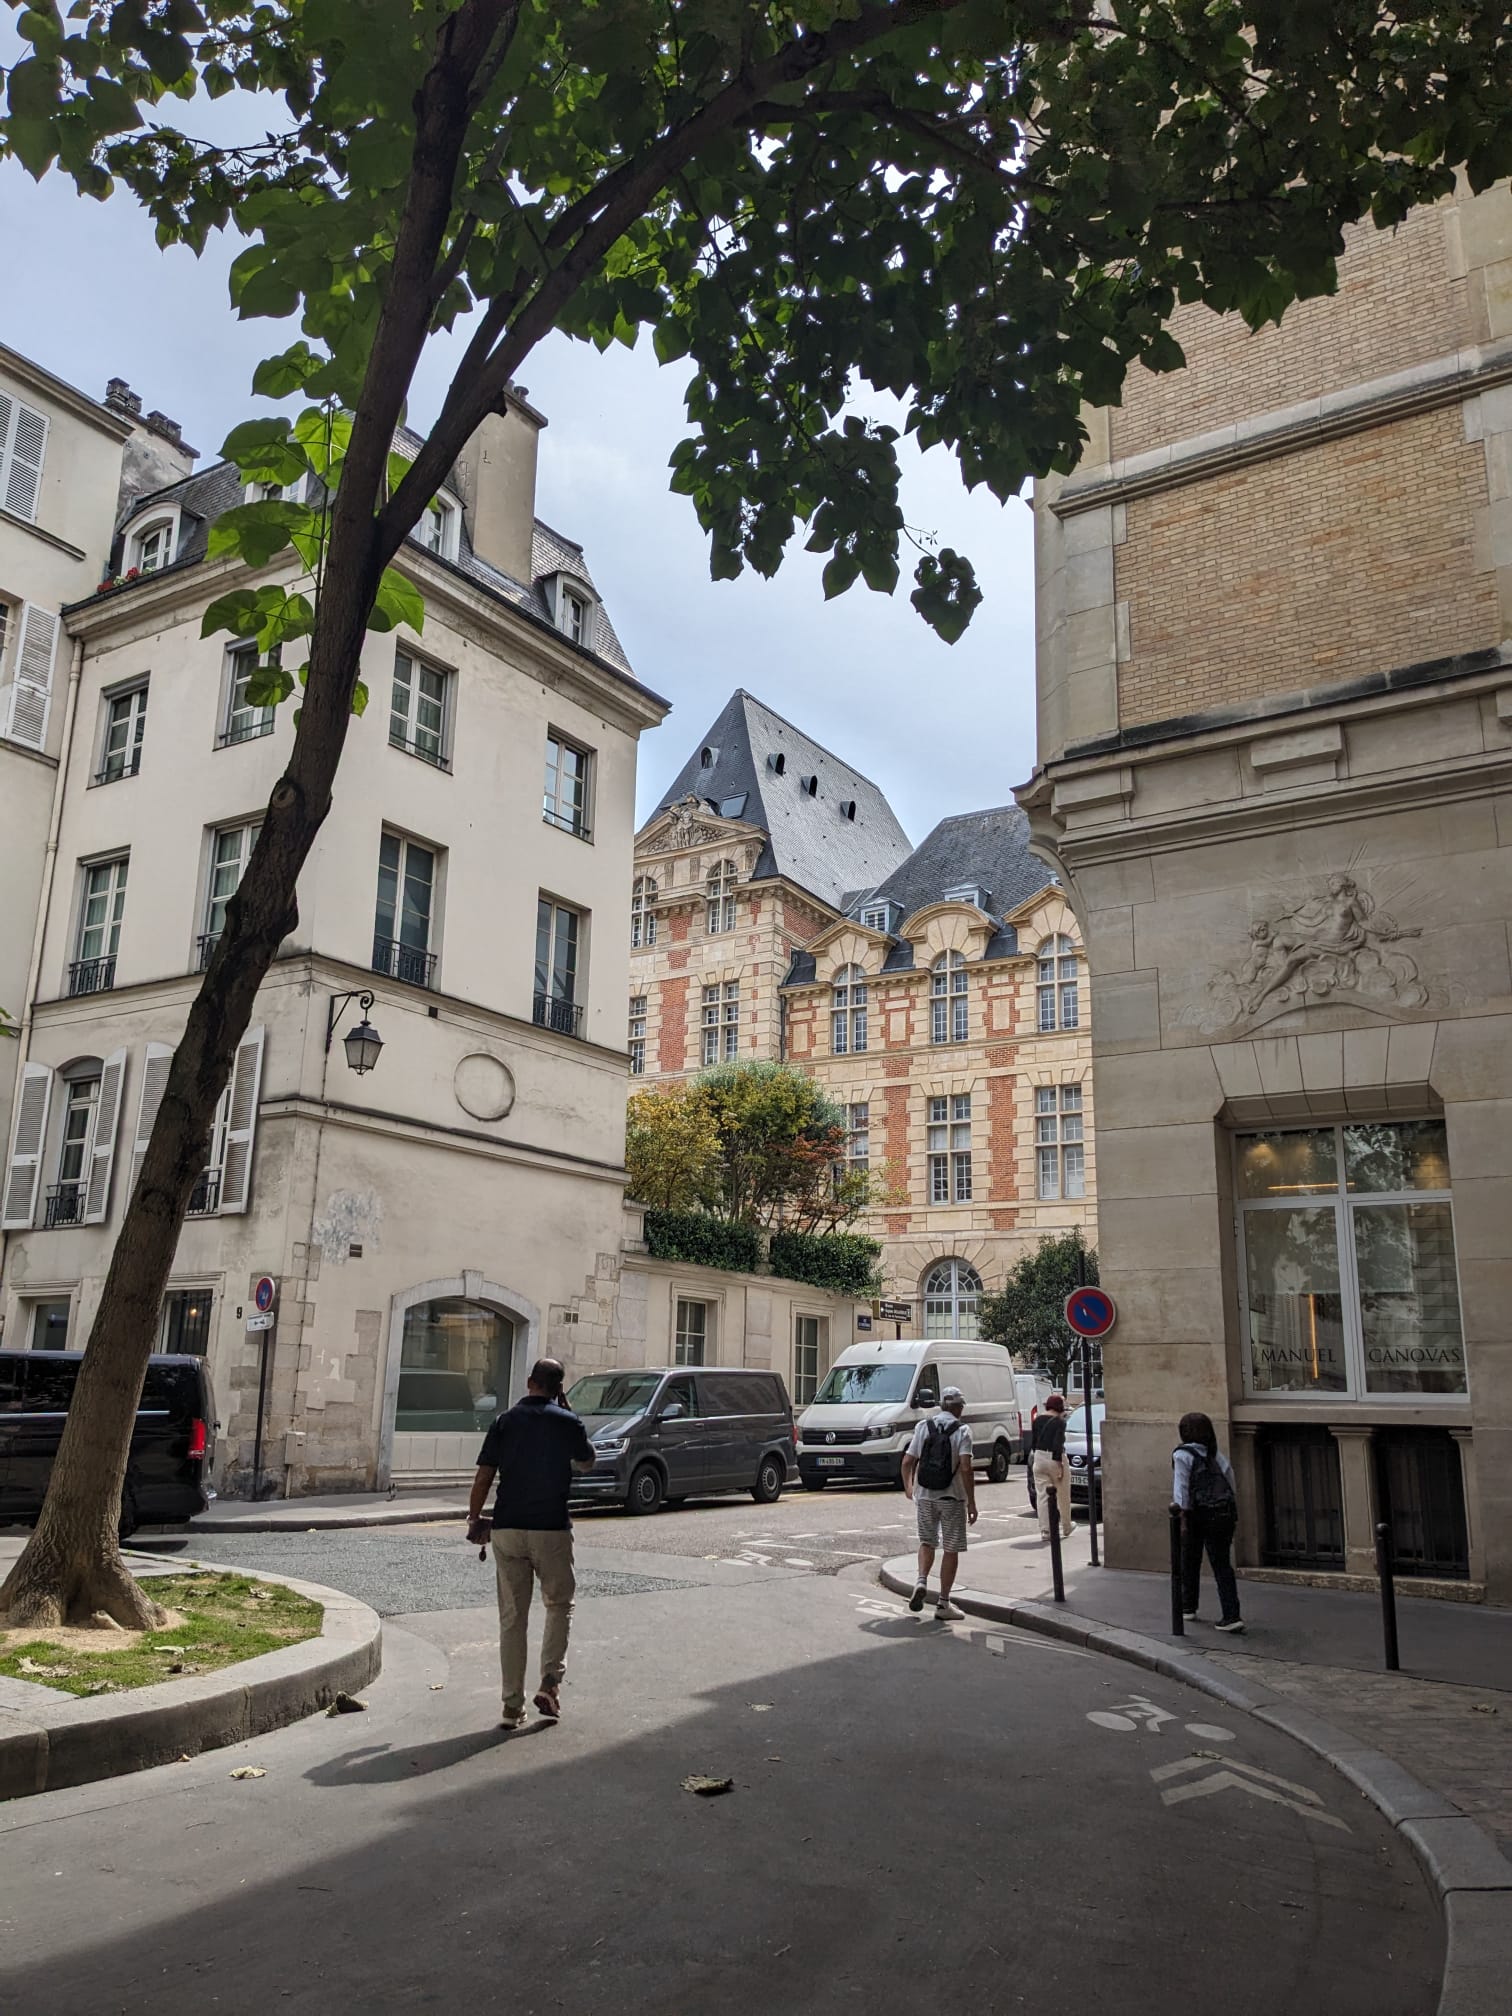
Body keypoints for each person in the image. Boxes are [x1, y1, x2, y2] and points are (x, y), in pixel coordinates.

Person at [467, 1356, 597, 1727]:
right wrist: (569, 1414)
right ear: (559, 1389)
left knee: (512, 1619)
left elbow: (483, 1477)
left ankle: (512, 1706)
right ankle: (550, 1683)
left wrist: (475, 1519)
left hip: (508, 1527)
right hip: (551, 1528)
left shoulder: (505, 1421)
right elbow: (587, 1462)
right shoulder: (567, 1422)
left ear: (529, 1382)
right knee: (559, 1604)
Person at [901, 1383, 976, 1621]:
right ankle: (943, 1603)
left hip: (925, 1495)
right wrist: (971, 1502)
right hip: (952, 1497)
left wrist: (909, 1488)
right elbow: (966, 1468)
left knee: (927, 1541)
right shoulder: (963, 1431)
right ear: (959, 1407)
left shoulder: (923, 1426)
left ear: (942, 1405)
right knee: (951, 1548)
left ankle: (921, 1580)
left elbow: (907, 1461)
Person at [1172, 1411, 1244, 1633]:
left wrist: (1181, 1516)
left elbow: (1181, 1488)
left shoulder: (1182, 1455)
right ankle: (1231, 1615)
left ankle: (1188, 1606)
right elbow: (1230, 1480)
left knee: (1189, 1559)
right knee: (1222, 1564)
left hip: (1196, 1514)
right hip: (1222, 1514)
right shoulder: (1215, 1454)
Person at [1030, 1392, 1073, 1542]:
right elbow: (1058, 1443)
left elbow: (1034, 1441)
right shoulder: (1059, 1422)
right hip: (1054, 1458)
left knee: (1042, 1495)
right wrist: (1060, 1465)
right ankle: (1066, 1526)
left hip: (1039, 1457)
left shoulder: (1037, 1420)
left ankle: (1045, 1531)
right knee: (1063, 1493)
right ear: (1059, 1406)